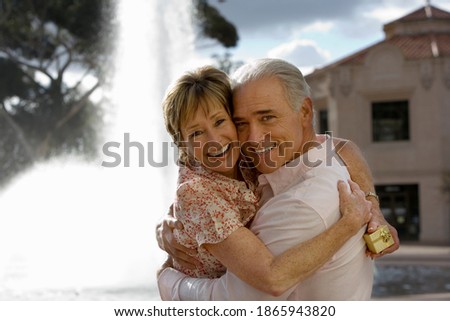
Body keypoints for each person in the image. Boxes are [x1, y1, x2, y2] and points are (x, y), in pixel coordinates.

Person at [159, 65, 373, 298]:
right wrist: (350, 223)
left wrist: (373, 205)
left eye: (220, 121)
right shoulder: (200, 191)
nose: (214, 140)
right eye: (196, 134)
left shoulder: (248, 157)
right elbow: (273, 278)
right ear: (183, 145)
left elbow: (342, 146)